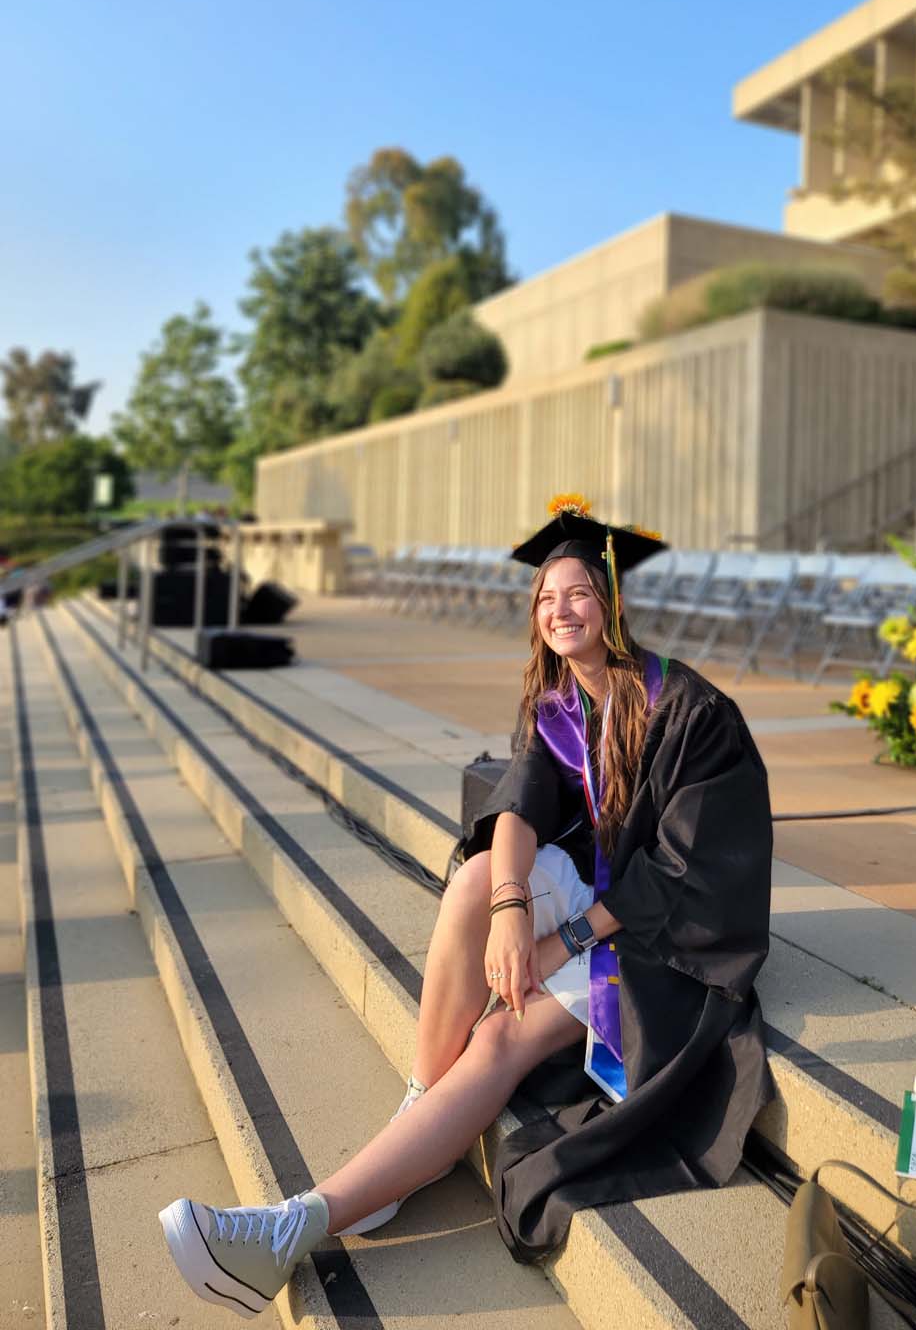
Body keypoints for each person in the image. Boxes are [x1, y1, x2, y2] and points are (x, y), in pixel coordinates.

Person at [158, 499, 775, 1318]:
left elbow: (682, 869)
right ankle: (421, 1112)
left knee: (499, 1035)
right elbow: (519, 805)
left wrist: (561, 941)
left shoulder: (693, 714)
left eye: (579, 592)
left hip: (674, 938)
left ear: (613, 604)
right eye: (547, 597)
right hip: (603, 898)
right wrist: (515, 907)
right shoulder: (559, 702)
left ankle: (293, 1227)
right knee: (476, 879)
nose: (560, 609)